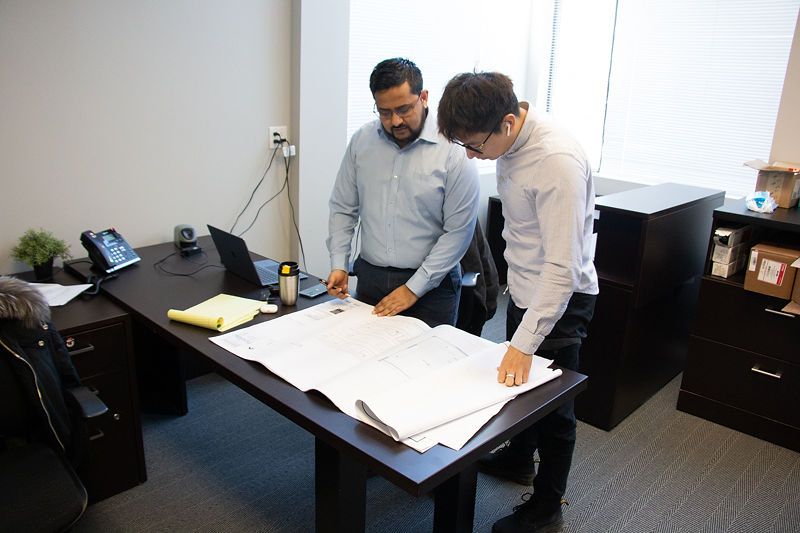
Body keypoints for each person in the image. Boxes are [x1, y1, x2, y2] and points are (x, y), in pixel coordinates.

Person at [438, 72, 599, 533]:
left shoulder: (556, 164)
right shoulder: (506, 140)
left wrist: (524, 341)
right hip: (527, 289)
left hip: (561, 301)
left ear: (508, 123)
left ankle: (548, 508)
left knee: (553, 410)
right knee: (519, 392)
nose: (470, 155)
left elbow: (562, 269)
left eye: (474, 145)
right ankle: (516, 461)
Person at [326, 58, 479, 327]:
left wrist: (413, 289)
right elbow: (343, 207)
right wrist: (339, 262)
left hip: (432, 287)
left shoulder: (453, 149)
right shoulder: (362, 142)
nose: (395, 121)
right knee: (365, 361)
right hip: (371, 279)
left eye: (404, 109)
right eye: (384, 112)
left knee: (427, 365)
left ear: (424, 97)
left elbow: (458, 232)